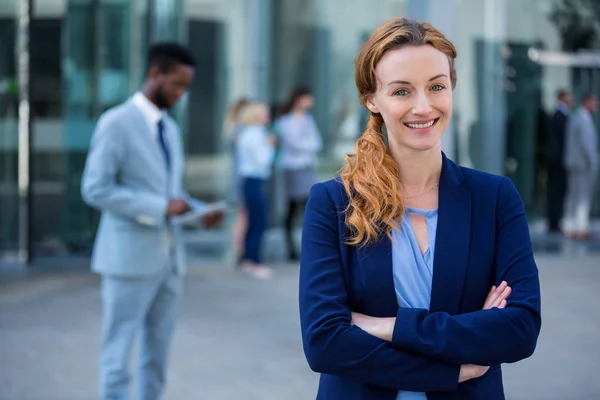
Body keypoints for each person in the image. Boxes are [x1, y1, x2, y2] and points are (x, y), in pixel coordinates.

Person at [299, 17, 541, 400]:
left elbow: (520, 329)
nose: (423, 106)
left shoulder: (495, 198)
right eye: (401, 91)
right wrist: (454, 368)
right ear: (372, 99)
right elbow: (325, 342)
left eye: (437, 86)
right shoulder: (333, 203)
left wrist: (388, 327)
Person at [81, 42, 224, 400]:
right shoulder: (115, 123)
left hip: (169, 260)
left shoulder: (170, 130)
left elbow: (171, 193)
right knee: (118, 352)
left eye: (186, 87)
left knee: (157, 357)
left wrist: (198, 211)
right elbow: (95, 189)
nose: (181, 94)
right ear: (154, 74)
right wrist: (161, 206)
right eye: (178, 84)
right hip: (128, 258)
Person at [275, 87, 322, 260]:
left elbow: (317, 142)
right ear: (299, 99)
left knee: (308, 207)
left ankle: (307, 247)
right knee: (293, 207)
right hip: (292, 168)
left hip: (307, 166)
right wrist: (307, 145)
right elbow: (295, 144)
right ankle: (291, 249)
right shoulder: (285, 121)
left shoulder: (308, 119)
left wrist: (306, 145)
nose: (311, 101)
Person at [237, 101, 276, 279]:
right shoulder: (255, 134)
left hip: (252, 180)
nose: (267, 115)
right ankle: (253, 261)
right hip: (254, 180)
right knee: (258, 221)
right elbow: (263, 161)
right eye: (263, 112)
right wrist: (270, 146)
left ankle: (250, 260)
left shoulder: (250, 133)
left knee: (255, 221)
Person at [563, 92, 598, 241]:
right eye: (595, 103)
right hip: (582, 164)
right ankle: (580, 227)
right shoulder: (583, 118)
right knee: (582, 196)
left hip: (575, 163)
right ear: (587, 102)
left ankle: (571, 226)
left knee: (574, 195)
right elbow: (586, 144)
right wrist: (593, 161)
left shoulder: (577, 116)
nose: (596, 106)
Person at [222, 98, 250, 263]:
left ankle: (238, 250)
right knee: (243, 215)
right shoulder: (238, 130)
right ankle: (238, 251)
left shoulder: (233, 129)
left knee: (242, 215)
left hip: (238, 176)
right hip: (240, 178)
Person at [546, 89, 572, 234]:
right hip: (558, 161)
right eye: (569, 96)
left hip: (556, 160)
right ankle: (554, 223)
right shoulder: (559, 116)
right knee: (556, 192)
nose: (571, 98)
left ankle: (555, 222)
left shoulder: (559, 115)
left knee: (556, 193)